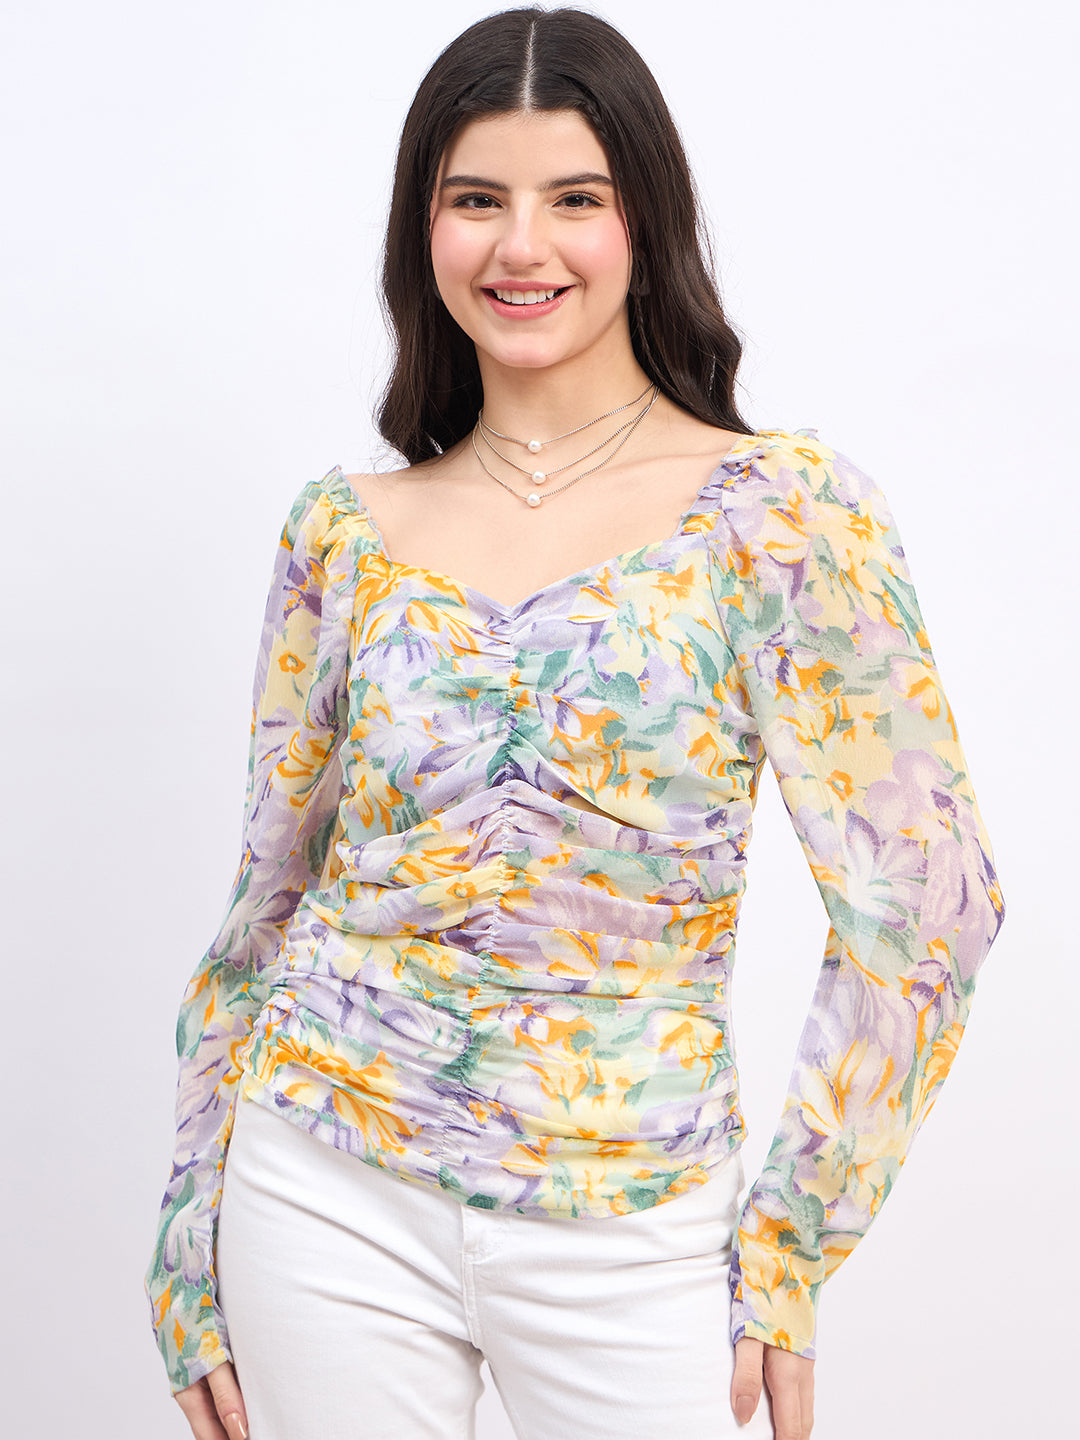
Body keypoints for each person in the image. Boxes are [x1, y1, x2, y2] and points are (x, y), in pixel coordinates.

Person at [145, 8, 1005, 1440]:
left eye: (576, 199)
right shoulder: (342, 530)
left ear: (643, 222)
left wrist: (792, 1237)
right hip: (322, 1183)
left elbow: (930, 902)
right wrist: (189, 1229)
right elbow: (268, 904)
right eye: (477, 199)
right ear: (423, 229)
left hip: (636, 1221)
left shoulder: (783, 516)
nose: (522, 246)